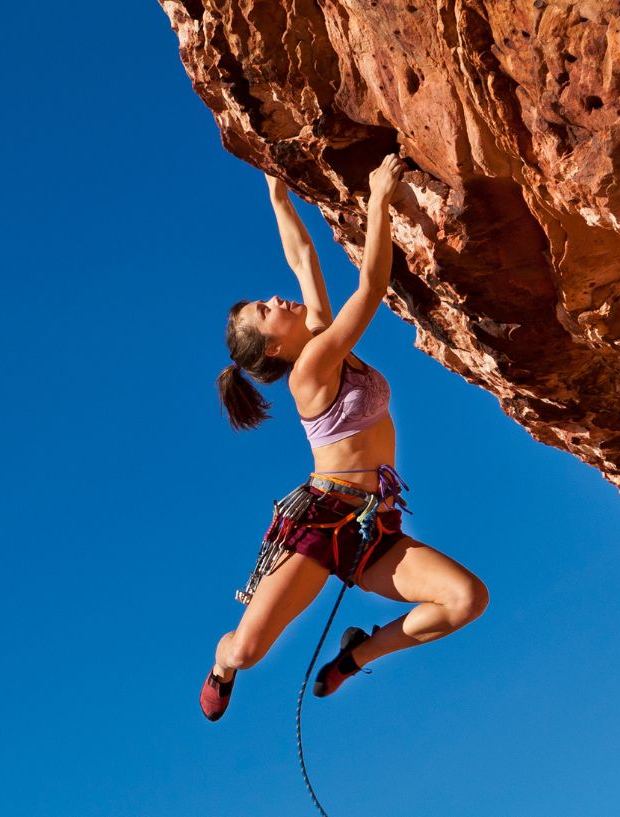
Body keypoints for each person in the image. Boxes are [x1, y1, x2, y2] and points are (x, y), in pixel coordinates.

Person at [200, 154, 489, 721]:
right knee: (249, 650)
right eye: (267, 310)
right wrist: (378, 199)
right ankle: (221, 661)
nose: (278, 299)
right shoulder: (310, 371)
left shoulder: (318, 340)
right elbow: (373, 286)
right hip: (320, 523)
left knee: (465, 600)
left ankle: (356, 655)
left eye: (269, 297)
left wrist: (276, 192)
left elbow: (304, 257)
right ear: (274, 349)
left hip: (373, 526)